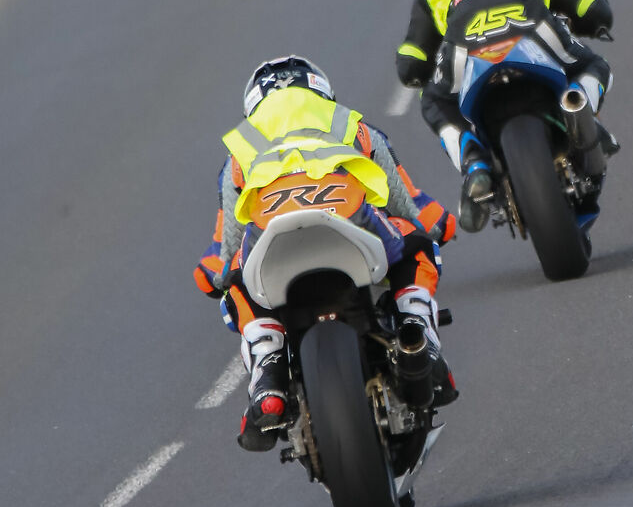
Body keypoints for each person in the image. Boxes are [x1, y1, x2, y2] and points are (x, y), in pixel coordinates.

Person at [195, 55, 457, 450]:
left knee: (236, 278)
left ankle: (267, 368)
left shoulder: (240, 148)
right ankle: (417, 330)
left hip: (272, 239)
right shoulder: (352, 125)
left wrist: (214, 275)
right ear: (322, 92)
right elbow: (408, 204)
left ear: (254, 107)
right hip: (349, 222)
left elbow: (225, 246)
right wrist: (437, 224)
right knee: (416, 245)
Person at [395, 0, 613, 229]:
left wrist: (417, 73)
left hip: (466, 43)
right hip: (532, 25)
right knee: (594, 65)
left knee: (434, 100)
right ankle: (577, 109)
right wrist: (595, 20)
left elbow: (412, 57)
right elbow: (585, 3)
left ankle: (474, 163)